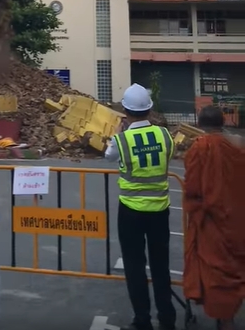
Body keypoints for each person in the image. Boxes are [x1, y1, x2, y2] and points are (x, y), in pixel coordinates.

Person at [105, 83, 176, 330]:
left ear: (125, 111)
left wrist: (118, 132)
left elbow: (109, 156)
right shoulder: (165, 136)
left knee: (135, 267)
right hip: (159, 210)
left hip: (131, 212)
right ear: (150, 110)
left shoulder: (121, 140)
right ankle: (167, 318)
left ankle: (142, 320)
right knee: (160, 266)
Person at [183, 105, 245, 330]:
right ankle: (226, 318)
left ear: (199, 124)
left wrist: (196, 209)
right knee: (233, 270)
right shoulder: (237, 146)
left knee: (217, 273)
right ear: (223, 123)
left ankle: (225, 319)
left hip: (211, 222)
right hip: (237, 221)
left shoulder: (200, 148)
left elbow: (192, 188)